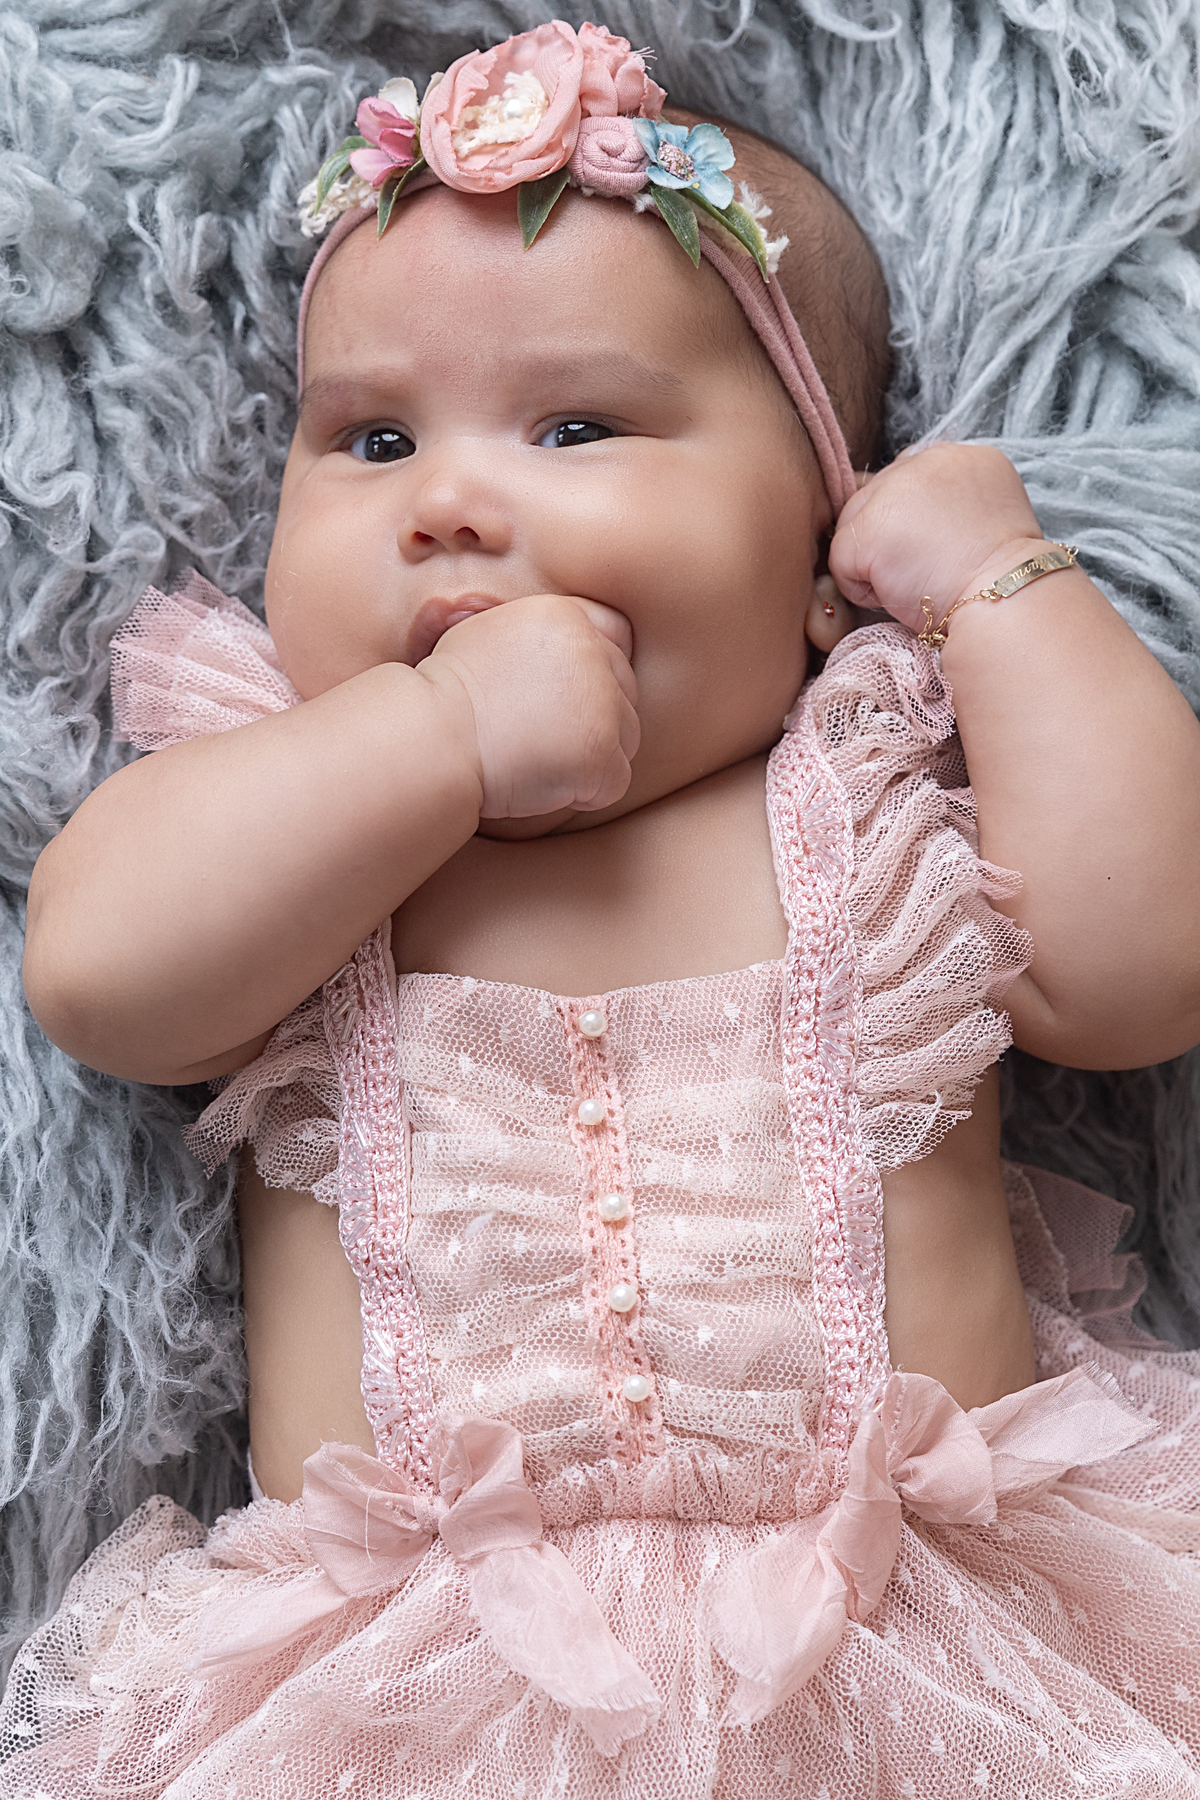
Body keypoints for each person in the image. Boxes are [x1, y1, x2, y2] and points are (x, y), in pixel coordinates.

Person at [7, 18, 1200, 1797]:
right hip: (402, 1686)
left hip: (929, 1643)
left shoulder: (864, 779)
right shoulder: (302, 808)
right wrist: (436, 737)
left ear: (820, 530)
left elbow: (1140, 971)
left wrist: (998, 584)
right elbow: (97, 974)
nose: (450, 507)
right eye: (372, 439)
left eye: (572, 425)